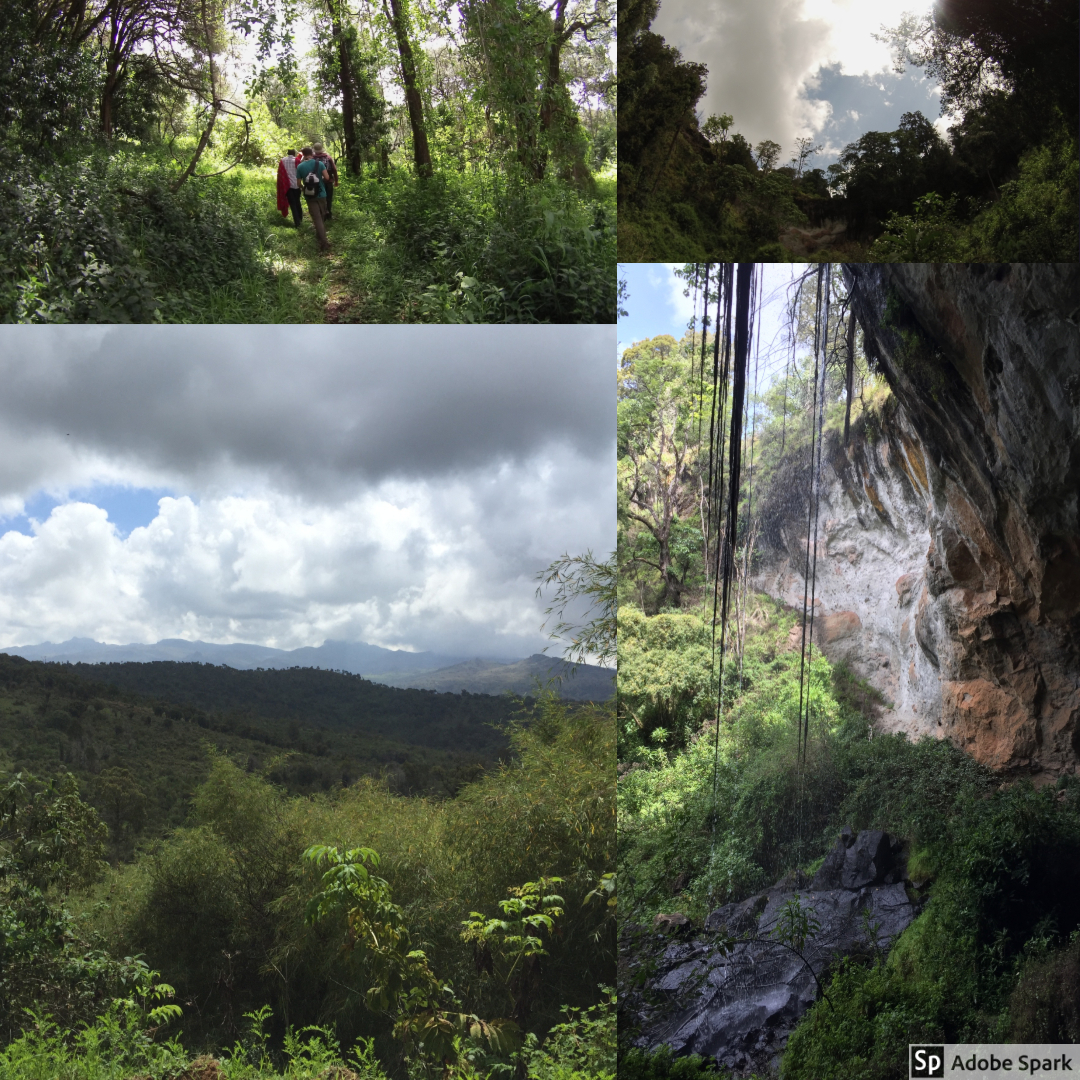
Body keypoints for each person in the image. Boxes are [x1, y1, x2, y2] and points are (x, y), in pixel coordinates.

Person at [296, 147, 331, 252]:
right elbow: (327, 178)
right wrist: (320, 181)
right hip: (322, 194)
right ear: (312, 153)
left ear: (303, 154)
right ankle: (324, 242)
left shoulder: (300, 166)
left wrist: (304, 189)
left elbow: (298, 183)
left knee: (317, 218)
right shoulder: (319, 164)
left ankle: (321, 238)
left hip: (309, 196)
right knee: (322, 215)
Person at [312, 142, 339, 221]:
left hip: (316, 183)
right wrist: (336, 181)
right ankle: (328, 214)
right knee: (328, 198)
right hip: (328, 181)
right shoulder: (328, 157)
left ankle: (321, 215)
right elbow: (334, 170)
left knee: (319, 199)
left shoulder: (312, 159)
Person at [276, 148, 303, 227]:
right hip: (297, 185)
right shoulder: (297, 160)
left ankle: (297, 222)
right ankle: (300, 219)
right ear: (294, 153)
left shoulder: (282, 161)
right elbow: (300, 172)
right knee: (298, 202)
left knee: (292, 204)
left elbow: (280, 174)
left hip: (287, 186)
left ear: (287, 153)